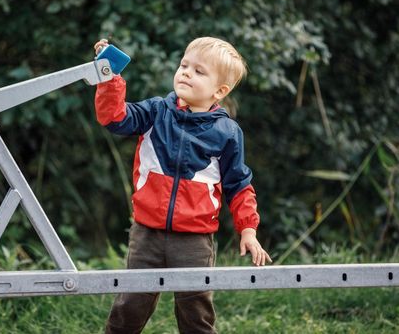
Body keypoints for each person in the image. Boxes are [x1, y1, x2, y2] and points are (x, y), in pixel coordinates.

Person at [94, 37, 272, 334]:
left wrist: (249, 230)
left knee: (195, 313)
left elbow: (239, 185)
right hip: (147, 232)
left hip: (194, 240)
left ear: (220, 91)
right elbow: (114, 117)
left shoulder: (226, 133)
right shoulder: (156, 112)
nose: (186, 73)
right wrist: (108, 76)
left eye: (199, 71)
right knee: (129, 307)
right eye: (184, 65)